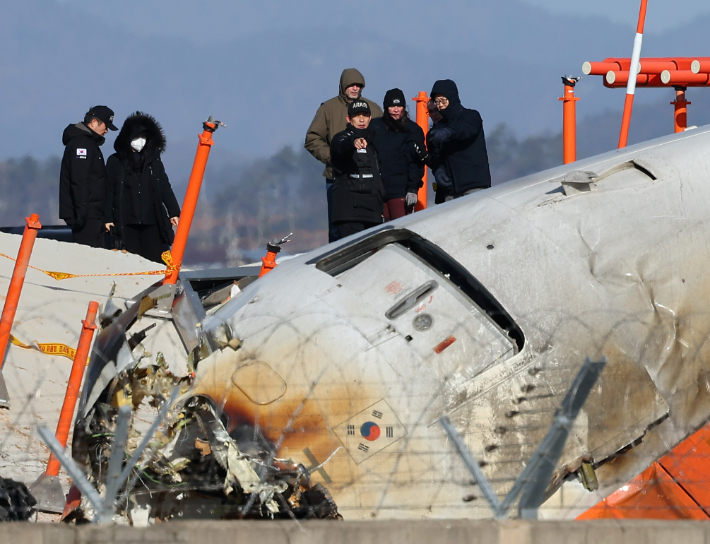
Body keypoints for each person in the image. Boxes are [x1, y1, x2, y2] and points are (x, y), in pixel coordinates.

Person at [305, 68, 383, 242]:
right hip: (336, 177)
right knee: (337, 228)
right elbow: (312, 138)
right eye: (351, 85)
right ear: (343, 86)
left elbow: (384, 140)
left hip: (368, 179)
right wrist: (332, 157)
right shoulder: (328, 109)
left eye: (358, 85)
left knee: (370, 228)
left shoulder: (374, 109)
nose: (355, 88)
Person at [104, 112, 181, 263]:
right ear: (127, 138)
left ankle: (158, 285)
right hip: (126, 220)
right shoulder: (115, 161)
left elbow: (164, 186)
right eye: (136, 137)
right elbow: (109, 190)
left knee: (156, 260)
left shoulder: (154, 161)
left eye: (144, 137)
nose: (140, 141)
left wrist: (174, 211)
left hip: (152, 220)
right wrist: (107, 217)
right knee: (130, 261)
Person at [59, 105, 117, 247]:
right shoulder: (81, 144)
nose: (107, 131)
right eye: (105, 125)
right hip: (87, 214)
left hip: (94, 212)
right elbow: (79, 180)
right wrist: (81, 212)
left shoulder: (89, 144)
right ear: (93, 122)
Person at [426, 79, 491, 203]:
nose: (440, 105)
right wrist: (438, 170)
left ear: (452, 98)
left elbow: (465, 131)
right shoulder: (437, 128)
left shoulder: (471, 116)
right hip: (450, 191)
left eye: (443, 101)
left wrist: (448, 133)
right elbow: (435, 157)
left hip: (474, 186)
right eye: (437, 101)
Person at [329, 100, 384, 239]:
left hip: (372, 213)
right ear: (349, 118)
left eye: (364, 115)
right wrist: (353, 142)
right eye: (356, 115)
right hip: (349, 214)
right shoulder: (341, 138)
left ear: (370, 118)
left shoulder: (375, 142)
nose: (361, 119)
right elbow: (339, 148)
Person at [369, 88, 426, 220]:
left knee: (399, 228)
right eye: (392, 106)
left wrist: (412, 188)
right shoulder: (374, 127)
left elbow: (416, 162)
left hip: (401, 191)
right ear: (386, 107)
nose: (396, 109)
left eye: (399, 106)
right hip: (378, 190)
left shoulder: (413, 130)